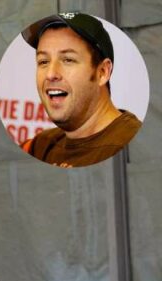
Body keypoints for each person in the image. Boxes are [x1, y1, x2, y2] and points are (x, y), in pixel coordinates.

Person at [21, 12, 142, 167]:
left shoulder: (132, 147)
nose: (51, 74)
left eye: (68, 60)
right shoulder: (38, 146)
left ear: (102, 72)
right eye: (43, 61)